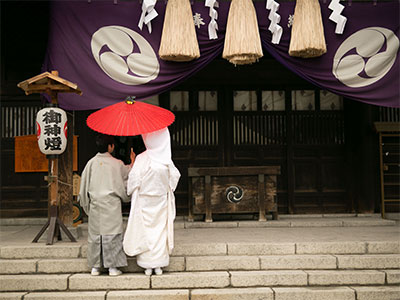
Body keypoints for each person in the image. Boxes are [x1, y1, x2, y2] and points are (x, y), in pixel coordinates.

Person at [123, 128, 180, 276]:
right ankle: (159, 265)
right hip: (160, 199)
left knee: (145, 230)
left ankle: (147, 265)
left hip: (144, 200)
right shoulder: (165, 158)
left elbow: (134, 179)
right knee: (160, 231)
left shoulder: (143, 158)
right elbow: (174, 177)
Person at [78, 134, 135, 276]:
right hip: (111, 205)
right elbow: (129, 174)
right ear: (110, 147)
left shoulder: (91, 163)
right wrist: (133, 161)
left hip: (96, 205)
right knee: (113, 235)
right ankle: (112, 267)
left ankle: (95, 267)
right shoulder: (117, 163)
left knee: (96, 235)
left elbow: (83, 186)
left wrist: (86, 205)